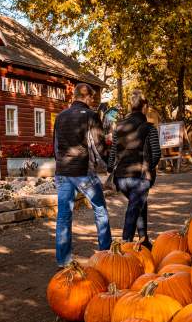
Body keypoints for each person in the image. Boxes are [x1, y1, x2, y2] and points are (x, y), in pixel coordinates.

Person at [53, 83, 112, 267]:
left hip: (63, 170)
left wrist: (60, 163)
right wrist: (109, 165)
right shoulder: (91, 116)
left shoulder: (60, 116)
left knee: (63, 215)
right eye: (91, 98)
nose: (92, 102)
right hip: (82, 170)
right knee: (100, 209)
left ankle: (63, 260)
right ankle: (105, 253)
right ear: (87, 98)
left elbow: (55, 146)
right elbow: (98, 145)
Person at [108, 90, 161, 249]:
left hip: (121, 178)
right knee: (134, 209)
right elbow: (157, 153)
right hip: (140, 176)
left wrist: (111, 168)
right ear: (144, 106)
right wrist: (149, 170)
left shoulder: (119, 127)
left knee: (139, 205)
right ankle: (125, 247)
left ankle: (144, 240)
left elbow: (113, 153)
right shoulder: (148, 127)